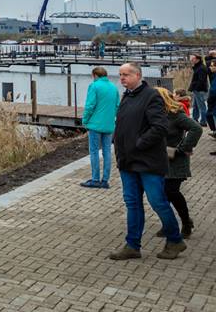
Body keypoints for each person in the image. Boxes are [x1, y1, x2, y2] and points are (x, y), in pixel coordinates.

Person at [109, 63, 185, 260]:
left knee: (157, 201)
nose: (122, 78)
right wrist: (116, 140)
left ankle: (175, 240)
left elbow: (160, 127)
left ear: (138, 75)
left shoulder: (151, 96)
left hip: (148, 161)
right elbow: (123, 124)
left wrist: (139, 143)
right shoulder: (127, 96)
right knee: (132, 203)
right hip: (127, 161)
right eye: (120, 75)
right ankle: (132, 245)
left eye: (126, 75)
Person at [155, 88, 202, 238]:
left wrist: (183, 148)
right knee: (163, 194)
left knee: (171, 192)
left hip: (176, 160)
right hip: (161, 160)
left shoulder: (176, 114)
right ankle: (168, 224)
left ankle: (186, 223)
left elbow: (196, 128)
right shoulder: (156, 114)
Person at [80, 67, 119, 189]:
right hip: (109, 125)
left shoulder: (94, 86)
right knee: (107, 152)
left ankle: (95, 179)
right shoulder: (114, 87)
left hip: (95, 125)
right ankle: (105, 180)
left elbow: (90, 105)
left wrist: (85, 120)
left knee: (94, 151)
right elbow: (117, 106)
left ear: (95, 75)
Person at [188, 54, 209, 124]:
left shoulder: (201, 68)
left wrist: (196, 88)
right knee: (195, 105)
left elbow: (201, 80)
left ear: (198, 59)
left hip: (200, 90)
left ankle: (203, 121)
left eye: (193, 59)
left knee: (202, 106)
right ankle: (195, 119)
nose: (191, 60)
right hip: (197, 89)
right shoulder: (198, 67)